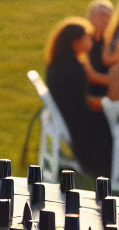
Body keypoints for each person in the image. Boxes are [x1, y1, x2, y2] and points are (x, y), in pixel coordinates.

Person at [44, 18, 112, 177]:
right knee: (111, 117)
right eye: (87, 37)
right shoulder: (73, 69)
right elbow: (85, 103)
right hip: (80, 123)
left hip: (69, 114)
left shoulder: (60, 63)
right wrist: (110, 103)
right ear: (75, 42)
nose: (91, 41)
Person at [84, 0, 114, 95]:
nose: (105, 20)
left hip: (103, 85)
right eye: (101, 15)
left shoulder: (107, 38)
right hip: (89, 90)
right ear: (91, 17)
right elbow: (90, 76)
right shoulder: (85, 40)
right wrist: (118, 82)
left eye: (109, 16)